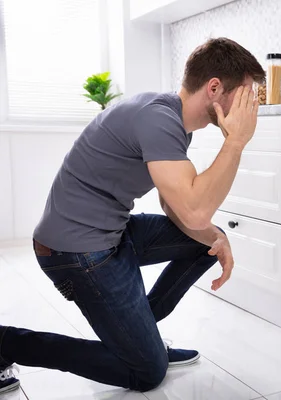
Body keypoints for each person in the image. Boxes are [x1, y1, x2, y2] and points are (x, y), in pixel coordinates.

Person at [0, 37, 265, 393]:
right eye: (246, 96)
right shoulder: (158, 119)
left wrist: (216, 237)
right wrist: (235, 142)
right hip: (75, 253)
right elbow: (195, 210)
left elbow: (175, 206)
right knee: (146, 373)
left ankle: (140, 336)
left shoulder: (171, 120)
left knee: (205, 242)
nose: (250, 108)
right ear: (214, 88)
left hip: (110, 235)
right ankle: (8, 343)